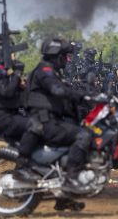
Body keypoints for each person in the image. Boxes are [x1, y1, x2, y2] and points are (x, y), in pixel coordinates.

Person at [20, 37, 93, 192]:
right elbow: (57, 90)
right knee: (83, 136)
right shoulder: (45, 71)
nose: (68, 59)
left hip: (49, 120)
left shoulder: (52, 72)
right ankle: (71, 179)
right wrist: (81, 96)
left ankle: (63, 193)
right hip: (44, 122)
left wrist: (91, 98)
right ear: (57, 55)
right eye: (65, 56)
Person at [0, 34, 41, 182]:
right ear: (1, 51)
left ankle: (31, 169)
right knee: (37, 126)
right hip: (2, 117)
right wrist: (17, 74)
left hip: (6, 114)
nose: (14, 55)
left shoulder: (0, 69)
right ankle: (23, 170)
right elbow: (6, 91)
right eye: (11, 51)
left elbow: (15, 93)